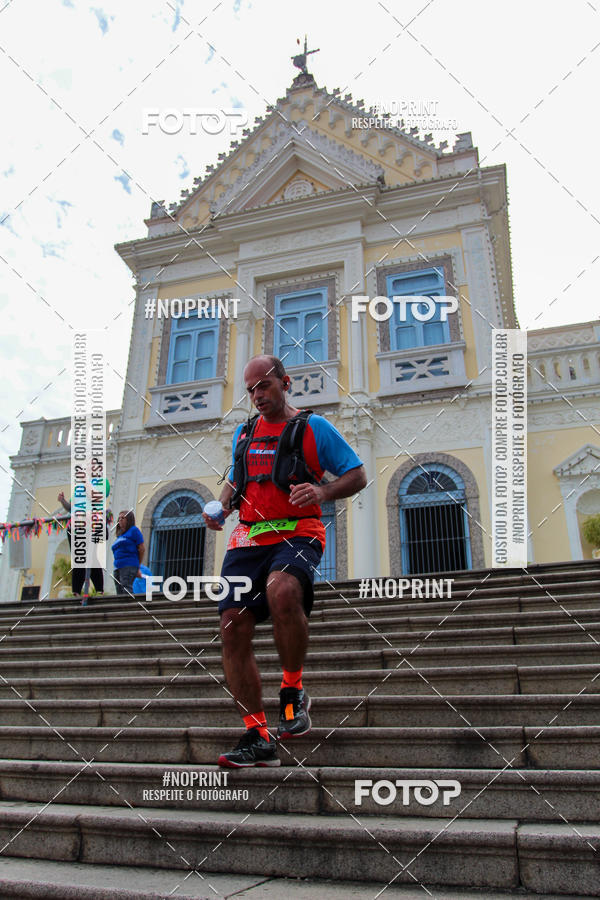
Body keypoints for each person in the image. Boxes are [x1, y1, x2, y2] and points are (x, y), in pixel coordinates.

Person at [204, 355, 366, 768]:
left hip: (297, 531)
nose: (258, 394)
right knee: (231, 624)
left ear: (285, 382)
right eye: (251, 389)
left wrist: (322, 493)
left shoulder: (313, 428)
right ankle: (257, 736)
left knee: (283, 589)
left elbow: (357, 475)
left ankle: (292, 690)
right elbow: (236, 480)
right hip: (247, 539)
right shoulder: (245, 432)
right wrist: (221, 507)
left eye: (264, 385)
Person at [58, 485, 107, 600]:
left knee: (92, 557)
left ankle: (99, 589)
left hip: (90, 526)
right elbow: (71, 508)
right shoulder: (77, 491)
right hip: (76, 528)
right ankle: (76, 591)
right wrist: (62, 501)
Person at [112, 510, 145, 597]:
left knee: (126, 588)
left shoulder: (134, 531)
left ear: (129, 520)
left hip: (129, 565)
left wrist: (137, 566)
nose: (120, 520)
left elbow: (141, 549)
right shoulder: (120, 535)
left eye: (123, 518)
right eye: (119, 518)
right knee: (119, 591)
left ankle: (131, 608)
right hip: (118, 567)